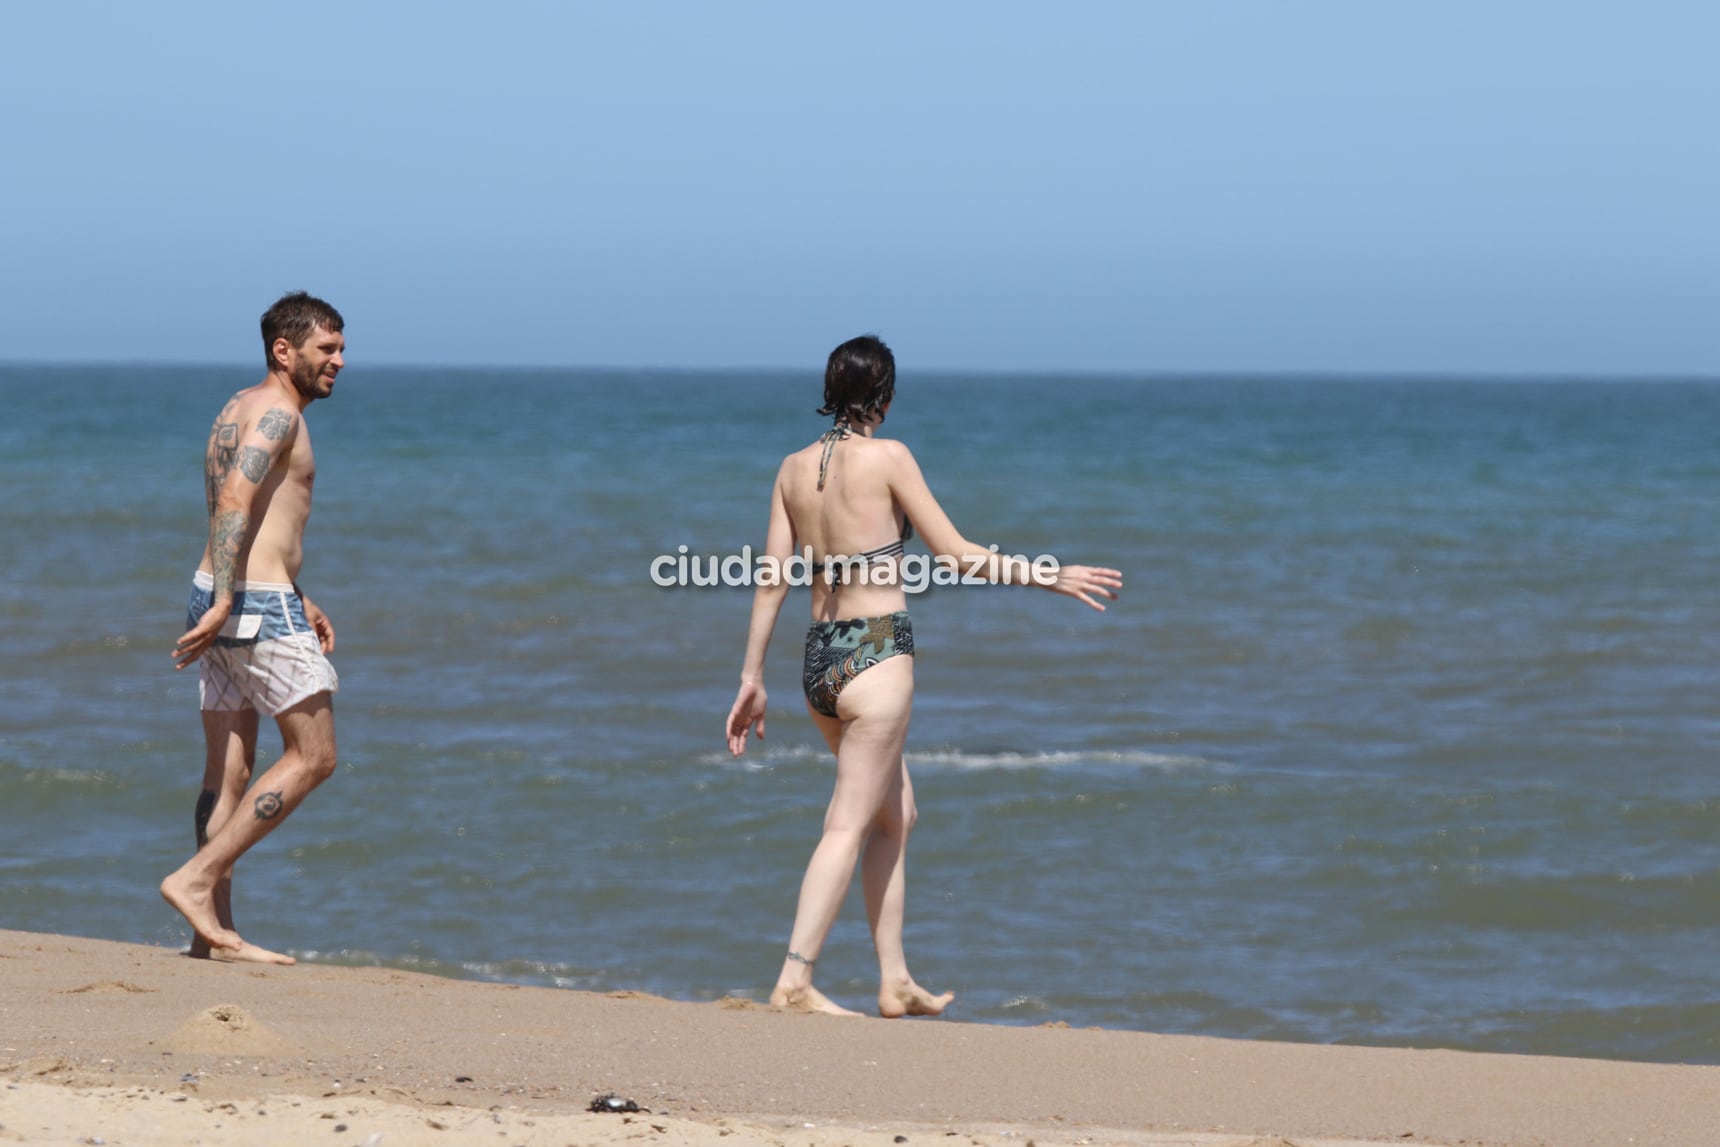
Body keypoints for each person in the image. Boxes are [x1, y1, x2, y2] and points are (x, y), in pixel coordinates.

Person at [724, 335, 1123, 1017]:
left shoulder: (792, 468)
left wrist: (750, 675)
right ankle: (794, 979)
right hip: (877, 655)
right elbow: (957, 553)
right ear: (886, 394)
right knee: (847, 824)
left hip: (819, 661)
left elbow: (771, 580)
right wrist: (1048, 574)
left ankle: (895, 978)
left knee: (895, 810)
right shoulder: (889, 457)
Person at [160, 291, 347, 965]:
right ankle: (196, 878)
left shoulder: (235, 408)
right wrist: (245, 598)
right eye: (326, 349)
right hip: (249, 602)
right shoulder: (278, 414)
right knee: (314, 755)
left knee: (228, 769)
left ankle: (210, 931)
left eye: (341, 349)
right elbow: (236, 499)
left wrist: (279, 590)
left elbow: (246, 510)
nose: (339, 361)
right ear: (284, 350)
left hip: (221, 589)